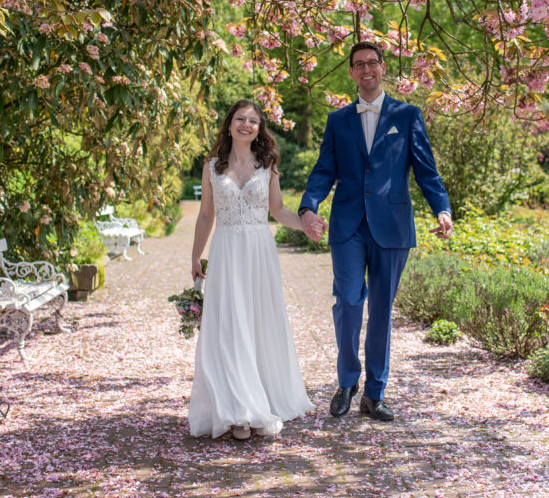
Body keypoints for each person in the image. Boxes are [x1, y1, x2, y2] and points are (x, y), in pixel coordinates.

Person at [298, 41, 453, 422]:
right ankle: (347, 380)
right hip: (348, 224)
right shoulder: (338, 121)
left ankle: (374, 393)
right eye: (358, 65)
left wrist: (442, 208)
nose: (366, 70)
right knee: (349, 301)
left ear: (382, 68)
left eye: (372, 63)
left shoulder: (408, 114)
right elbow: (323, 170)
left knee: (381, 311)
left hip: (393, 225)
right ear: (351, 72)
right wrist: (308, 207)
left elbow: (425, 169)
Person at [188, 99, 317, 440]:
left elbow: (278, 210)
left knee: (257, 324)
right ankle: (236, 412)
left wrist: (305, 225)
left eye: (253, 120)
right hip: (227, 250)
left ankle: (259, 401)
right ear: (229, 124)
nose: (246, 124)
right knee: (229, 327)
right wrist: (195, 257)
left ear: (260, 128)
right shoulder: (213, 166)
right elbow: (205, 216)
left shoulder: (268, 164)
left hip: (259, 253)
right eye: (240, 118)